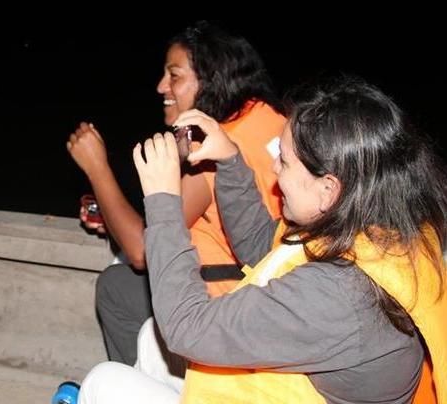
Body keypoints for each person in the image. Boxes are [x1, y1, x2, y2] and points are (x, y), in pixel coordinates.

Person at [79, 76, 447, 403]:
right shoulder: (377, 231)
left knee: (103, 382)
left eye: (284, 162)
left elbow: (187, 328)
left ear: (328, 188)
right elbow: (262, 246)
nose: (273, 170)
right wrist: (229, 161)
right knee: (149, 338)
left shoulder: (341, 292)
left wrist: (163, 201)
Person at [66, 21, 285, 365]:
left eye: (175, 76)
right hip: (273, 295)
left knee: (116, 284)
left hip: (226, 305)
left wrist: (98, 169)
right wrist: (112, 218)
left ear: (212, 79)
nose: (161, 87)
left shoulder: (214, 149)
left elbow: (141, 249)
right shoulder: (271, 117)